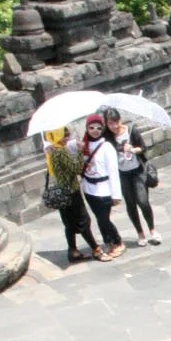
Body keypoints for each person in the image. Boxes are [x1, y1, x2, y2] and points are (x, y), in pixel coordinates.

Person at [104, 107, 159, 247]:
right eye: (110, 124)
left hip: (137, 171)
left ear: (119, 120)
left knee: (143, 201)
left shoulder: (131, 130)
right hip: (122, 173)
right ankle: (140, 233)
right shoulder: (107, 137)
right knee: (130, 204)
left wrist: (133, 149)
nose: (113, 126)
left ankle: (152, 230)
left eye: (115, 122)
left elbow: (143, 148)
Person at [42, 128, 98, 263]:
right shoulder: (60, 151)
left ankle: (72, 251)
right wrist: (80, 152)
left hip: (62, 192)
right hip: (71, 191)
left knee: (69, 223)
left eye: (67, 135)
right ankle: (96, 248)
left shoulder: (51, 150)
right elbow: (76, 169)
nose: (67, 138)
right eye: (64, 135)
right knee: (83, 220)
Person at [76, 115, 126, 257]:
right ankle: (108, 242)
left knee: (104, 218)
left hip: (104, 188)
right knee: (99, 218)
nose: (95, 131)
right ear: (87, 128)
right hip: (89, 188)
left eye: (98, 128)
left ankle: (117, 241)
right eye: (91, 128)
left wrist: (116, 194)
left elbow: (113, 171)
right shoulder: (83, 145)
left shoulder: (106, 146)